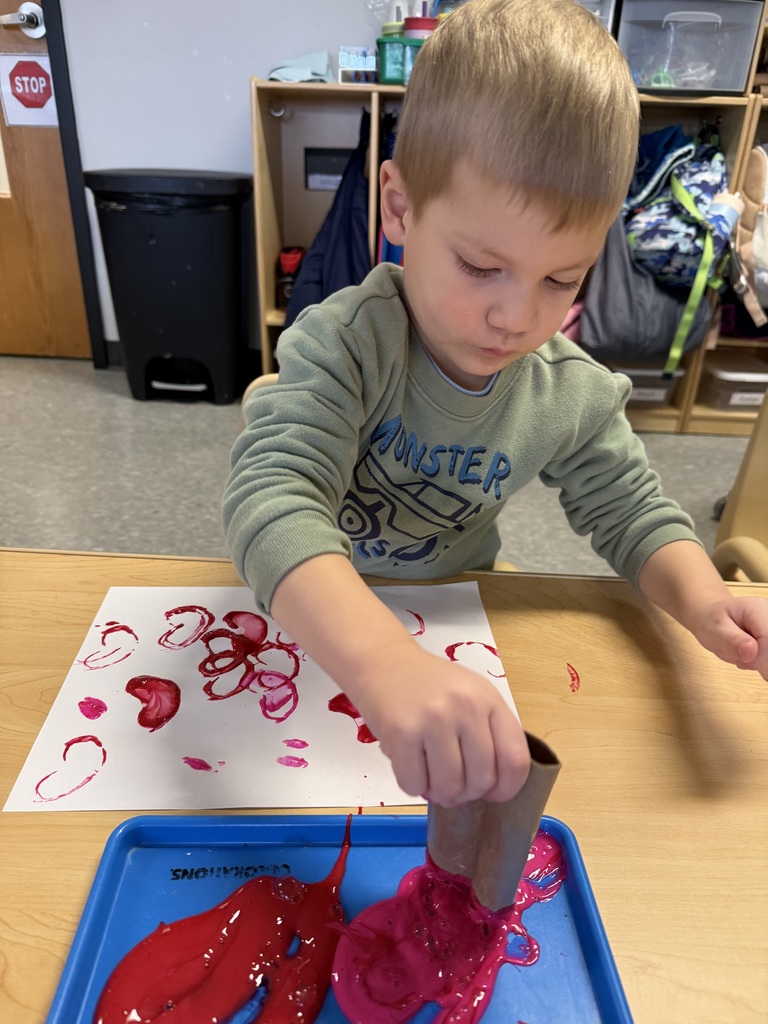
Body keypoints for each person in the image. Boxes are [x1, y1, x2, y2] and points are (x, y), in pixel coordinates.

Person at [224, 0, 768, 809]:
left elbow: (632, 509)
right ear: (400, 208)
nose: (518, 318)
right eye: (482, 266)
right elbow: (271, 501)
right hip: (310, 617)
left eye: (562, 278)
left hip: (456, 612)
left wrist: (702, 595)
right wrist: (381, 662)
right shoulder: (347, 343)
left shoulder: (567, 390)